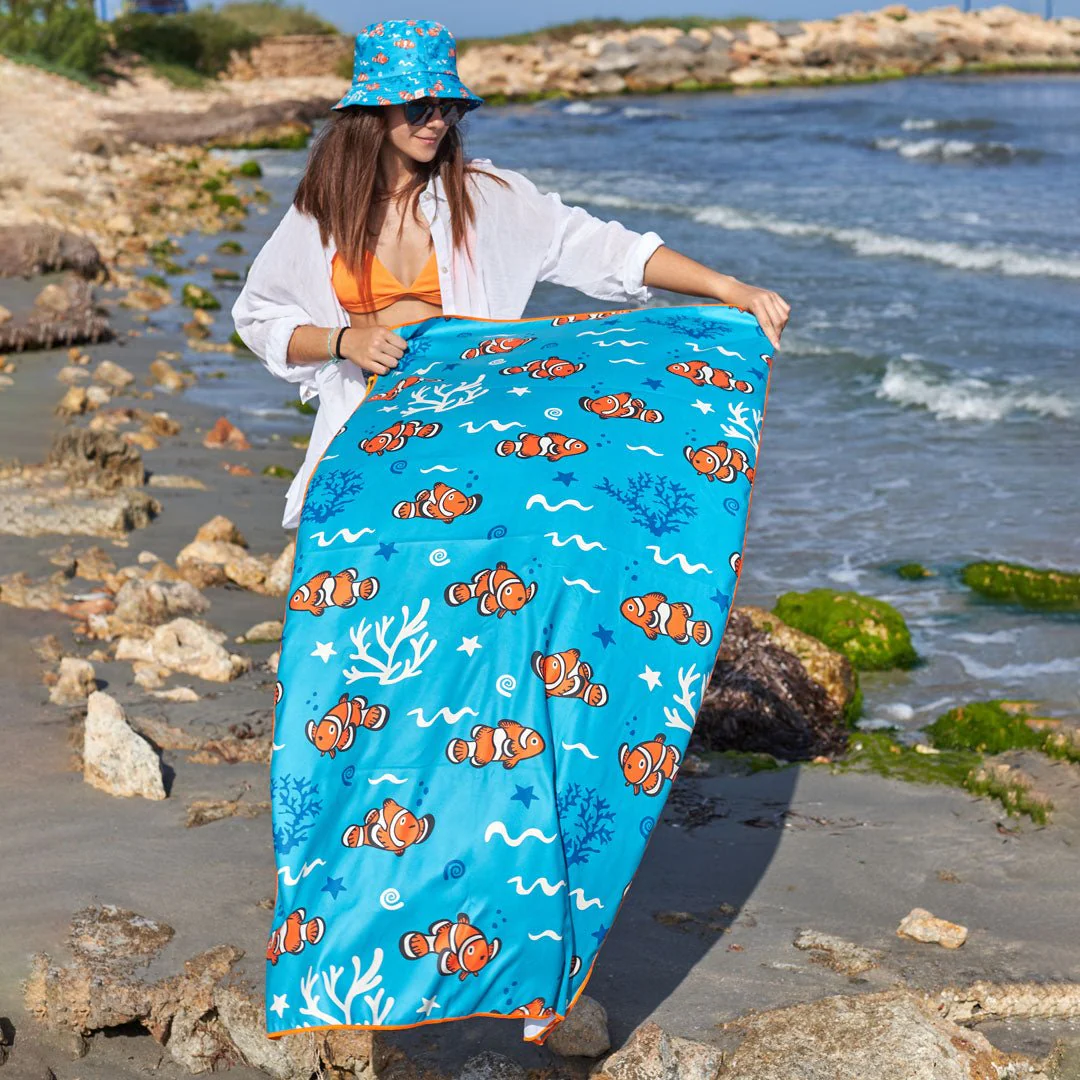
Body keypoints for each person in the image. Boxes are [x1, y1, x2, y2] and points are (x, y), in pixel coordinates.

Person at [232, 17, 790, 534]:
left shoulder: (484, 197)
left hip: (467, 437)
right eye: (420, 106)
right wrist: (342, 341)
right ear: (375, 110)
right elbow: (261, 320)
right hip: (363, 435)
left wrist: (728, 288)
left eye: (449, 106)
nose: (437, 121)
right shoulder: (323, 211)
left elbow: (605, 249)